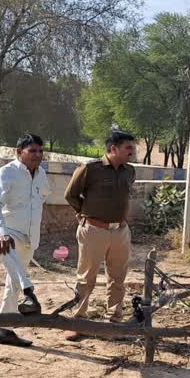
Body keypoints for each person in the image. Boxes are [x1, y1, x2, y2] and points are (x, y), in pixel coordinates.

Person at [64, 130, 136, 340]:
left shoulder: (129, 172)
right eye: (127, 148)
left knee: (118, 277)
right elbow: (71, 195)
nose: (131, 152)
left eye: (132, 148)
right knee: (86, 277)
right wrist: (84, 215)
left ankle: (113, 322)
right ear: (113, 149)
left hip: (120, 232)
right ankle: (78, 321)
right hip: (94, 230)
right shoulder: (90, 169)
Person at [0, 133, 50, 347]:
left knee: (12, 283)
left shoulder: (41, 174)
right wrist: (0, 232)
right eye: (32, 150)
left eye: (40, 151)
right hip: (6, 233)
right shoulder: (6, 173)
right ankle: (30, 294)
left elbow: (42, 200)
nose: (38, 155)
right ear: (18, 152)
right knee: (18, 276)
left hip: (29, 236)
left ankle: (4, 328)